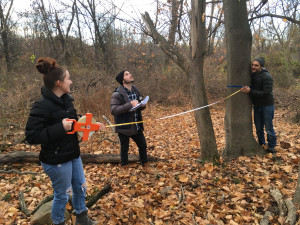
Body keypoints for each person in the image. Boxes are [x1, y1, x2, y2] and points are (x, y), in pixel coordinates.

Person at [25, 57, 104, 225]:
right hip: (56, 160)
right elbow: (31, 136)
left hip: (72, 154)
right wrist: (60, 127)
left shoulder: (67, 101)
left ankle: (82, 220)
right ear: (59, 83)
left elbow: (75, 127)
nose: (71, 81)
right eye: (68, 78)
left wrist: (92, 126)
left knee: (81, 187)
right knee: (62, 195)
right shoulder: (41, 106)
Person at [110, 70, 153, 173]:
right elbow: (114, 110)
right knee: (125, 148)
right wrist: (130, 104)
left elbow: (139, 104)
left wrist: (143, 105)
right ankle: (124, 168)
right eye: (127, 74)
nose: (130, 75)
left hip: (136, 125)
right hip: (124, 127)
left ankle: (145, 166)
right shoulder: (117, 94)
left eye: (130, 73)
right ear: (123, 80)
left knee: (143, 145)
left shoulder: (135, 90)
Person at [241, 57, 277, 153]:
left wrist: (250, 91)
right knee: (258, 126)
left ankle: (271, 146)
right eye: (252, 65)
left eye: (256, 65)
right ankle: (261, 143)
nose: (253, 67)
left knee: (268, 126)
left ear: (261, 66)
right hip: (257, 106)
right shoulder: (252, 75)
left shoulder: (267, 77)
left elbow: (266, 93)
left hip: (267, 105)